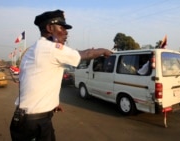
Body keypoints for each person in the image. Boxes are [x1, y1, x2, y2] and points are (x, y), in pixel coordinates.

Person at [9, 9, 112, 141]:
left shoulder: (35, 49)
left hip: (27, 119)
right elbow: (85, 54)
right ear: (50, 28)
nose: (66, 32)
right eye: (62, 28)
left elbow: (33, 81)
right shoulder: (50, 49)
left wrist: (51, 102)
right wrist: (104, 51)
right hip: (34, 122)